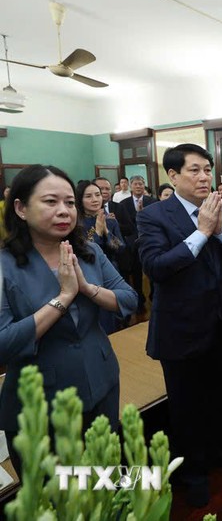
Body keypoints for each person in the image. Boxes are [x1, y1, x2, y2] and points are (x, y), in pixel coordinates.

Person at [0, 165, 137, 473]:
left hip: (100, 383)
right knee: (56, 498)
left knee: (105, 483)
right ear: (20, 208)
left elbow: (129, 299)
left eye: (69, 203)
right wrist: (62, 298)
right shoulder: (5, 266)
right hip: (40, 404)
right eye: (51, 202)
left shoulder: (88, 251)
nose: (64, 211)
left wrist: (87, 289)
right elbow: (3, 342)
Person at [137, 143, 222, 508]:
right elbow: (156, 267)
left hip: (221, 322)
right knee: (187, 405)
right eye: (194, 170)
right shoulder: (154, 216)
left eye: (207, 169)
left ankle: (221, 450)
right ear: (172, 175)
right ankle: (193, 471)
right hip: (182, 328)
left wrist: (218, 231)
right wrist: (201, 232)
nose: (205, 177)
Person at [76, 180, 127, 334]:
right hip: (88, 274)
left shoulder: (110, 221)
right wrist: (97, 233)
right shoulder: (76, 222)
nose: (95, 199)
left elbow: (120, 248)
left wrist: (106, 232)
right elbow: (85, 251)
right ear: (80, 199)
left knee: (114, 317)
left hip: (111, 271)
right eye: (88, 196)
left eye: (97, 195)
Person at [116, 175, 156, 314]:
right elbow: (125, 225)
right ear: (131, 186)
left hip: (150, 242)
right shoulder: (123, 204)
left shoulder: (152, 201)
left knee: (152, 271)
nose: (138, 186)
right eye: (136, 184)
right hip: (133, 244)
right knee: (136, 274)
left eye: (141, 184)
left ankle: (154, 296)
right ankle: (139, 299)